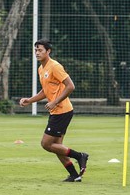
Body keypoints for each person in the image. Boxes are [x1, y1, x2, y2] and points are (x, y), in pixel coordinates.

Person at [19, 39, 88, 182]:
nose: (37, 53)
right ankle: (74, 175)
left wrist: (55, 101)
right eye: (35, 50)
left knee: (46, 144)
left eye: (40, 50)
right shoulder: (41, 69)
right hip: (57, 112)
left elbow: (70, 86)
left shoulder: (55, 66)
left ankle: (80, 156)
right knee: (57, 147)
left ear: (48, 51)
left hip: (62, 111)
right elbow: (45, 91)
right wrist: (30, 100)